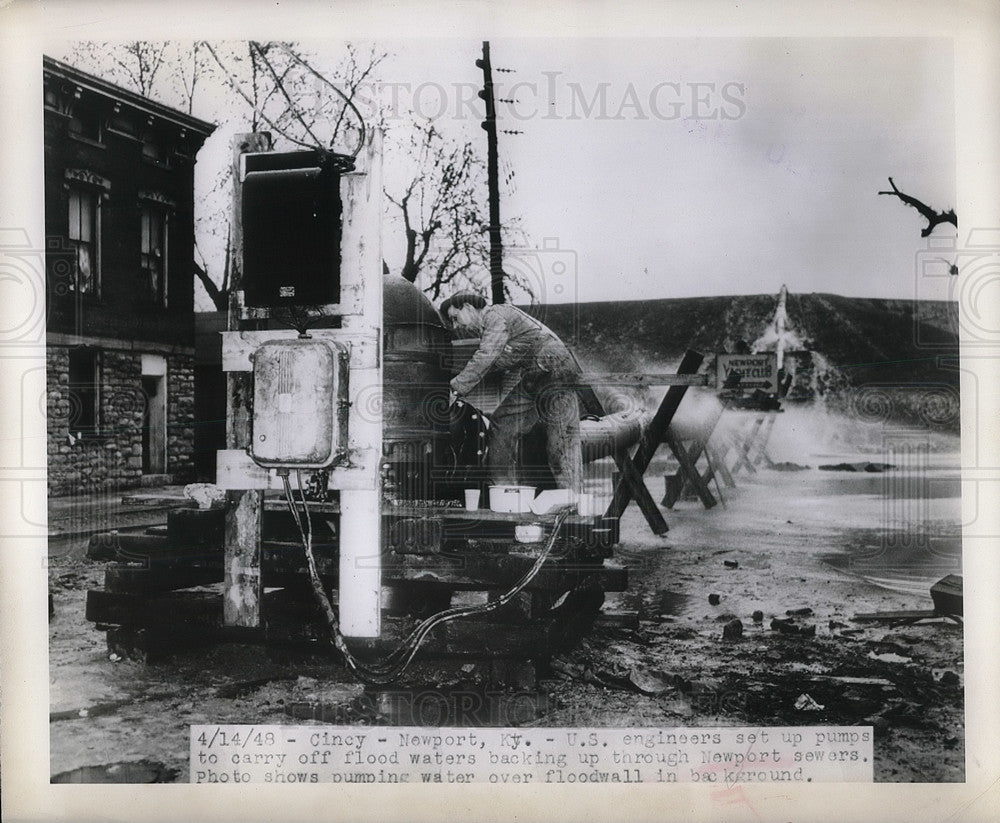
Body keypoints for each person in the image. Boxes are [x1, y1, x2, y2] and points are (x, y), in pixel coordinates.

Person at [440, 292, 583, 493]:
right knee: (502, 421)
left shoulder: (495, 315)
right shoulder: (490, 331)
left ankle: (573, 503)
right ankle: (506, 492)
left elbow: (486, 357)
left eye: (455, 318)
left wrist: (454, 388)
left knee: (560, 443)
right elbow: (492, 362)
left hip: (555, 371)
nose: (456, 326)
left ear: (468, 307)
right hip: (534, 377)